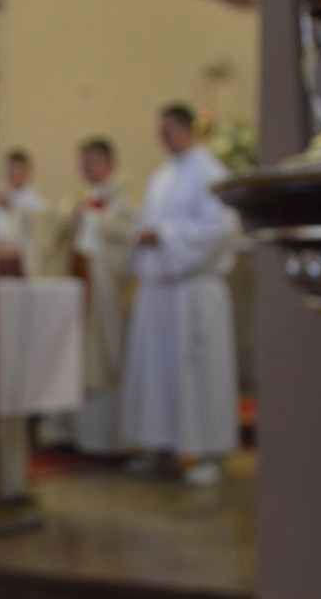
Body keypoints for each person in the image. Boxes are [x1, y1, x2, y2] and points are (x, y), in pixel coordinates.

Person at [121, 103, 240, 486]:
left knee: (197, 372)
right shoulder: (161, 178)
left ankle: (206, 452)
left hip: (193, 288)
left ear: (187, 129)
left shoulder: (212, 172)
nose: (162, 137)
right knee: (158, 372)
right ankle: (162, 445)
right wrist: (144, 235)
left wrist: (164, 235)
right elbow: (144, 223)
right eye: (159, 130)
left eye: (168, 129)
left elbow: (221, 228)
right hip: (160, 289)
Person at [41, 138, 136, 453]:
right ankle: (71, 433)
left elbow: (129, 234)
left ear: (106, 161)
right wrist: (72, 217)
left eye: (88, 162)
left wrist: (94, 219)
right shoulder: (81, 197)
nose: (83, 169)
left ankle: (105, 439)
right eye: (80, 163)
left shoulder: (124, 195)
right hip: (81, 282)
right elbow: (59, 230)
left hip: (105, 289)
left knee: (101, 360)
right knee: (75, 356)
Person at [0, 149, 52, 276]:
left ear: (27, 172)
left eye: (15, 169)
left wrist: (13, 208)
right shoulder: (1, 205)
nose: (11, 174)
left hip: (26, 267)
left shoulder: (39, 205)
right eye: (8, 170)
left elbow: (41, 238)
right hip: (1, 264)